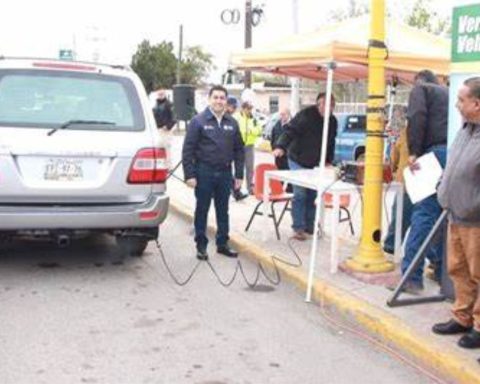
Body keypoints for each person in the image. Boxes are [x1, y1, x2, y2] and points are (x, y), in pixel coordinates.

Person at [432, 77, 480, 349]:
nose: (457, 105)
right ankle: (462, 317)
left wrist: (473, 204)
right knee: (458, 269)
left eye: (462, 100)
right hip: (455, 215)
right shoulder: (465, 130)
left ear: (477, 103)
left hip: (476, 219)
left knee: (478, 273)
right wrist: (443, 187)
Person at [399, 69, 449, 294]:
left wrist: (414, 152)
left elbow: (416, 116)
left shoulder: (421, 89)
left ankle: (411, 278)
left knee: (424, 214)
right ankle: (440, 272)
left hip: (433, 154)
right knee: (443, 217)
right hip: (455, 155)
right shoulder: (450, 93)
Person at [182, 85, 245, 260]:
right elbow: (188, 150)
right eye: (215, 97)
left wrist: (239, 175)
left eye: (222, 98)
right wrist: (190, 175)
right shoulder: (198, 121)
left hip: (225, 173)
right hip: (204, 172)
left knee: (223, 210)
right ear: (210, 99)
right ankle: (201, 246)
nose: (219, 101)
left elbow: (239, 150)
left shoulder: (232, 123)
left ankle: (222, 243)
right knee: (202, 209)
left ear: (226, 101)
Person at [272, 92, 337, 241]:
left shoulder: (332, 121)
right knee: (300, 193)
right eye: (326, 105)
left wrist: (328, 160)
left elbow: (331, 142)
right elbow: (290, 131)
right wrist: (281, 146)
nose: (329, 108)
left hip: (316, 163)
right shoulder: (306, 115)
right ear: (318, 104)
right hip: (297, 159)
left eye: (332, 105)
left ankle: (310, 226)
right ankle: (298, 228)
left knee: (313, 194)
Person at [383, 120, 413, 255]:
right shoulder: (436, 132)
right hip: (426, 186)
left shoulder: (406, 132)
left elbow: (394, 157)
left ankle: (390, 247)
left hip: (406, 183)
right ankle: (434, 259)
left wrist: (394, 170)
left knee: (399, 219)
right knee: (426, 225)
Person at [234, 101, 262, 194]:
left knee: (250, 167)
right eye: (247, 108)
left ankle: (250, 188)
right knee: (239, 167)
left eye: (250, 108)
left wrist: (251, 130)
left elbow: (259, 130)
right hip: (238, 146)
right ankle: (237, 188)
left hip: (249, 145)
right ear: (243, 108)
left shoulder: (253, 119)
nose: (249, 110)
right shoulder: (236, 117)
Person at [226, 96, 248, 201]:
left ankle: (236, 192)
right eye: (233, 107)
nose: (235, 109)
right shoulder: (225, 118)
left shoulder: (232, 120)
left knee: (229, 173)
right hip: (222, 152)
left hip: (232, 148)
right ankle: (236, 192)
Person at [270, 107, 291, 171]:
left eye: (283, 114)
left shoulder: (292, 126)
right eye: (280, 114)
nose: (281, 116)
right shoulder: (277, 125)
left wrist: (284, 151)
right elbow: (273, 139)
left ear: (288, 114)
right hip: (277, 157)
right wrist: (274, 149)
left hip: (288, 157)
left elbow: (294, 142)